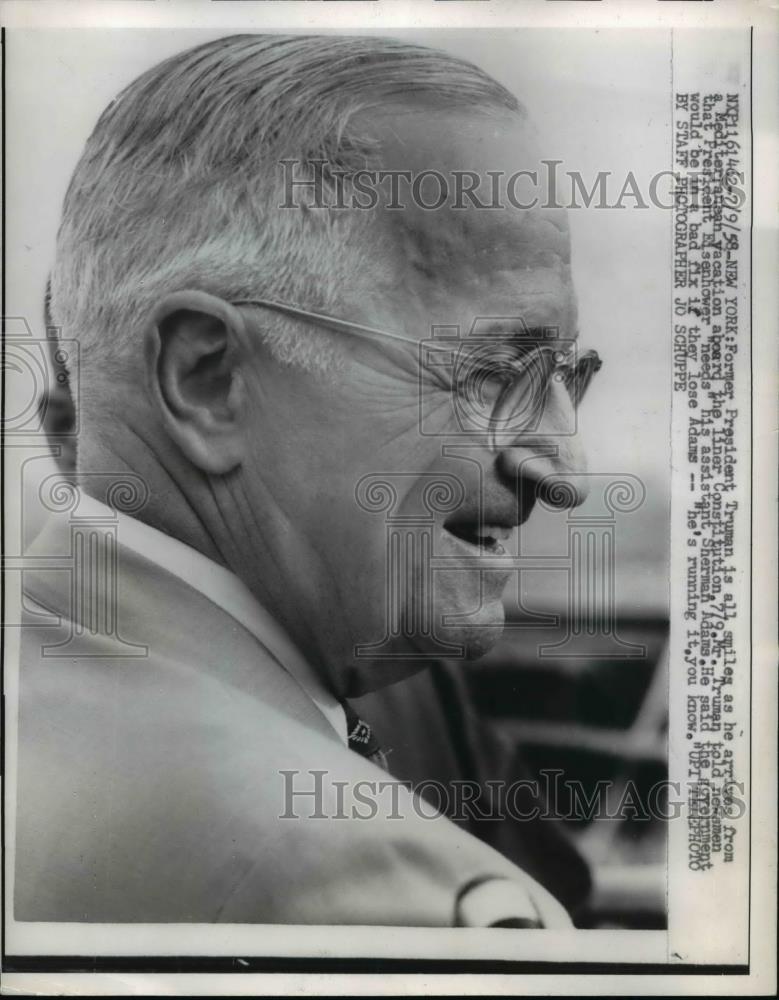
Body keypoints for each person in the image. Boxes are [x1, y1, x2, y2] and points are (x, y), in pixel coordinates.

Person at [16, 34, 597, 927]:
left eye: (565, 377)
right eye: (493, 372)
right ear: (207, 379)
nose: (565, 471)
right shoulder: (354, 879)